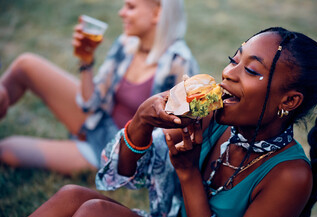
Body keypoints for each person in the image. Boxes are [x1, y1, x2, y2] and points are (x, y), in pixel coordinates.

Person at [1, 27, 317, 217]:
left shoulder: (290, 174)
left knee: (97, 214)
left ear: (289, 100)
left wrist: (187, 174)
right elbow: (118, 177)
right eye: (235, 59)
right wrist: (141, 122)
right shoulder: (212, 118)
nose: (228, 73)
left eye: (252, 71)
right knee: (73, 197)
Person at [0, 0, 198, 174]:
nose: (121, 12)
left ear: (156, 13)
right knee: (25, 65)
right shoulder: (126, 44)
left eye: (130, 6)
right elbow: (89, 104)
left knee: (7, 150)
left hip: (114, 151)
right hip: (97, 121)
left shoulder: (179, 62)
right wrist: (86, 62)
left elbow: (181, 130)